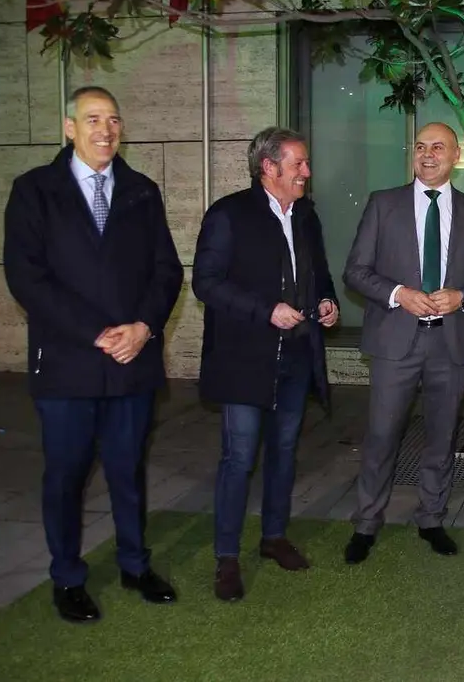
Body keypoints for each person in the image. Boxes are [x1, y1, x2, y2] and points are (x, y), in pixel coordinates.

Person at [3, 86, 183, 623]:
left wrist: (144, 328)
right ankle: (67, 577)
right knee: (66, 476)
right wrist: (98, 332)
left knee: (128, 470)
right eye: (92, 119)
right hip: (68, 364)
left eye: (112, 120)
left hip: (134, 362)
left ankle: (134, 564)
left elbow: (166, 271)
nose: (105, 130)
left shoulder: (142, 191)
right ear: (69, 128)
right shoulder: (35, 191)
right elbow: (26, 277)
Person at [342, 122, 464, 563]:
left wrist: (463, 297)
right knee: (380, 436)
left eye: (438, 147)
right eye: (420, 146)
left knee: (442, 436)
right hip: (395, 343)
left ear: (456, 157)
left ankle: (431, 517)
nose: (427, 154)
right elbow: (355, 271)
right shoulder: (383, 205)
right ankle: (366, 522)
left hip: (449, 345)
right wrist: (399, 294)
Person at [192, 127, 339, 602]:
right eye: (298, 164)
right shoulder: (229, 214)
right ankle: (227, 557)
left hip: (297, 355)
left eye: (305, 163)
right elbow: (206, 283)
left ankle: (274, 537)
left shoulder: (307, 215)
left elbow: (320, 273)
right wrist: (266, 309)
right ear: (269, 168)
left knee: (284, 451)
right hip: (245, 360)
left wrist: (327, 301)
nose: (307, 173)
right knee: (239, 458)